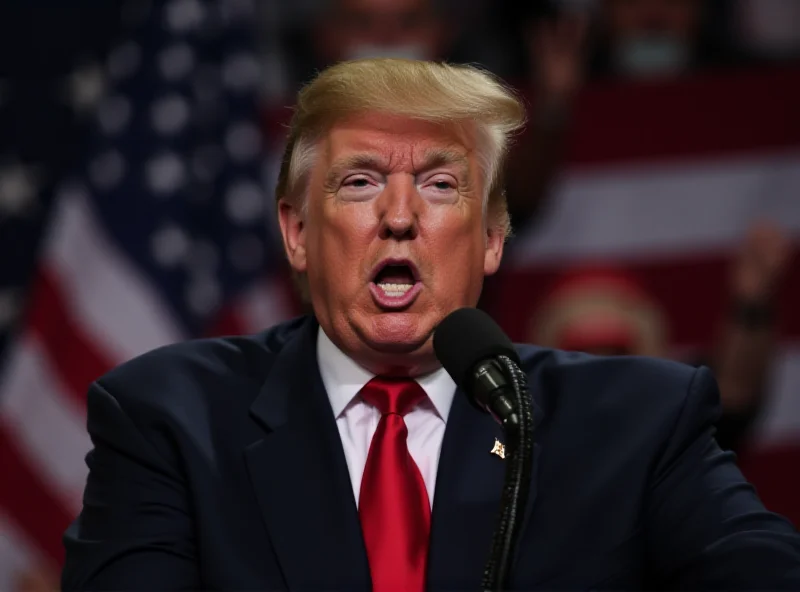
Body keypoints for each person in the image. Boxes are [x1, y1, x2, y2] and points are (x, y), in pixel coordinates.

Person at [61, 58, 800, 590]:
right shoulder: (170, 419)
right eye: (361, 182)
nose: (401, 215)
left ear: (490, 240)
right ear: (295, 234)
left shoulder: (636, 423)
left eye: (441, 184)